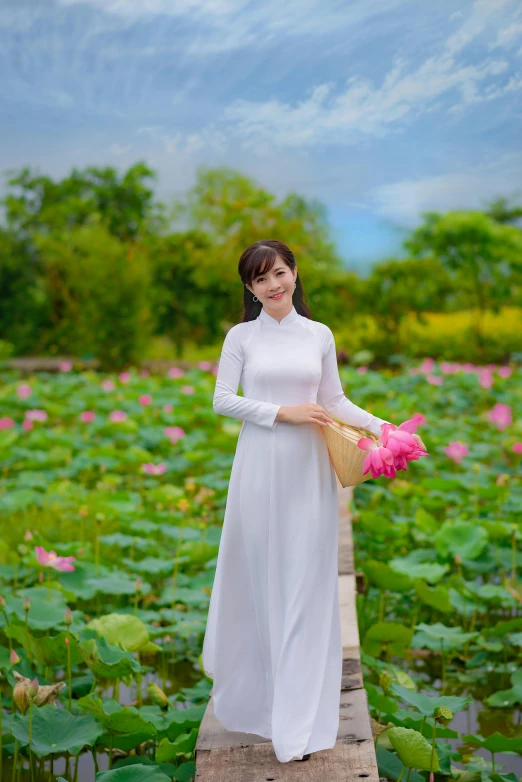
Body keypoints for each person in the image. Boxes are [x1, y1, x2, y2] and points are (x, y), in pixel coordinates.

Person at [201, 239, 422, 763]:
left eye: (279, 273)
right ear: (250, 289)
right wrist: (283, 413)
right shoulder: (241, 337)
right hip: (259, 468)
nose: (272, 285)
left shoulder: (319, 334)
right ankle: (268, 709)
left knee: (305, 585)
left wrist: (384, 427)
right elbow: (221, 399)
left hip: (308, 474)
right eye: (260, 280)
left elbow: (334, 400)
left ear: (295, 274)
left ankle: (297, 727)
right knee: (263, 582)